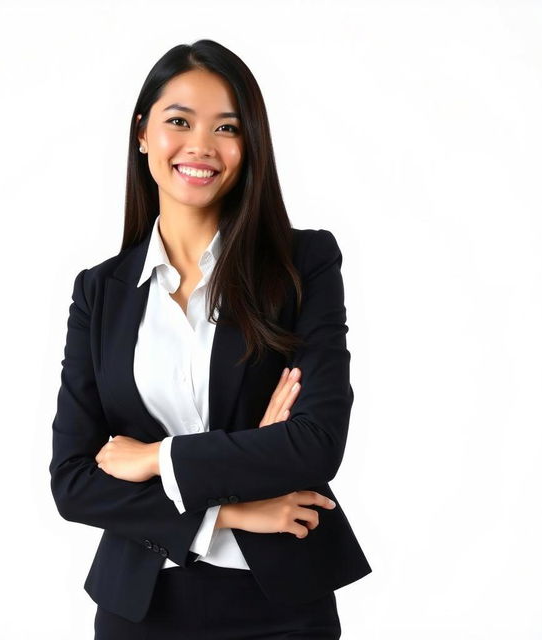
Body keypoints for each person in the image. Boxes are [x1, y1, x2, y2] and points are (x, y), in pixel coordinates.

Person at [49, 39, 372, 639]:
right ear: (142, 132)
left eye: (227, 127)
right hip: (140, 607)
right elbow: (74, 483)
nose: (200, 146)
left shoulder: (305, 265)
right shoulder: (99, 293)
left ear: (250, 146)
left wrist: (154, 458)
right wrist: (231, 509)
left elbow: (316, 444)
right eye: (179, 121)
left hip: (284, 605)